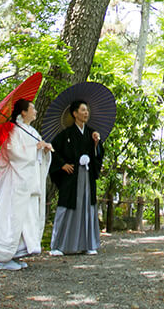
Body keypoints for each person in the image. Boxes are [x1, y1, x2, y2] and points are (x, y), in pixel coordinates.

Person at [0, 98, 53, 270]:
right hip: (16, 182)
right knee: (12, 217)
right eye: (32, 108)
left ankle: (17, 254)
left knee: (28, 218)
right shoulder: (13, 131)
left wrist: (44, 149)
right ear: (23, 112)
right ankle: (3, 257)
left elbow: (37, 151)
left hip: (29, 180)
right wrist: (35, 148)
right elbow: (13, 153)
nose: (35, 111)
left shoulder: (31, 131)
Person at [48, 99, 104, 255]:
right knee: (67, 208)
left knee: (87, 207)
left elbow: (99, 154)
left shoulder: (92, 133)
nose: (86, 113)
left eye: (87, 110)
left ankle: (88, 244)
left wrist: (96, 144)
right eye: (83, 110)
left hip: (87, 176)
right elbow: (54, 150)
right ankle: (58, 246)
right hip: (72, 178)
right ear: (74, 113)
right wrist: (62, 165)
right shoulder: (66, 134)